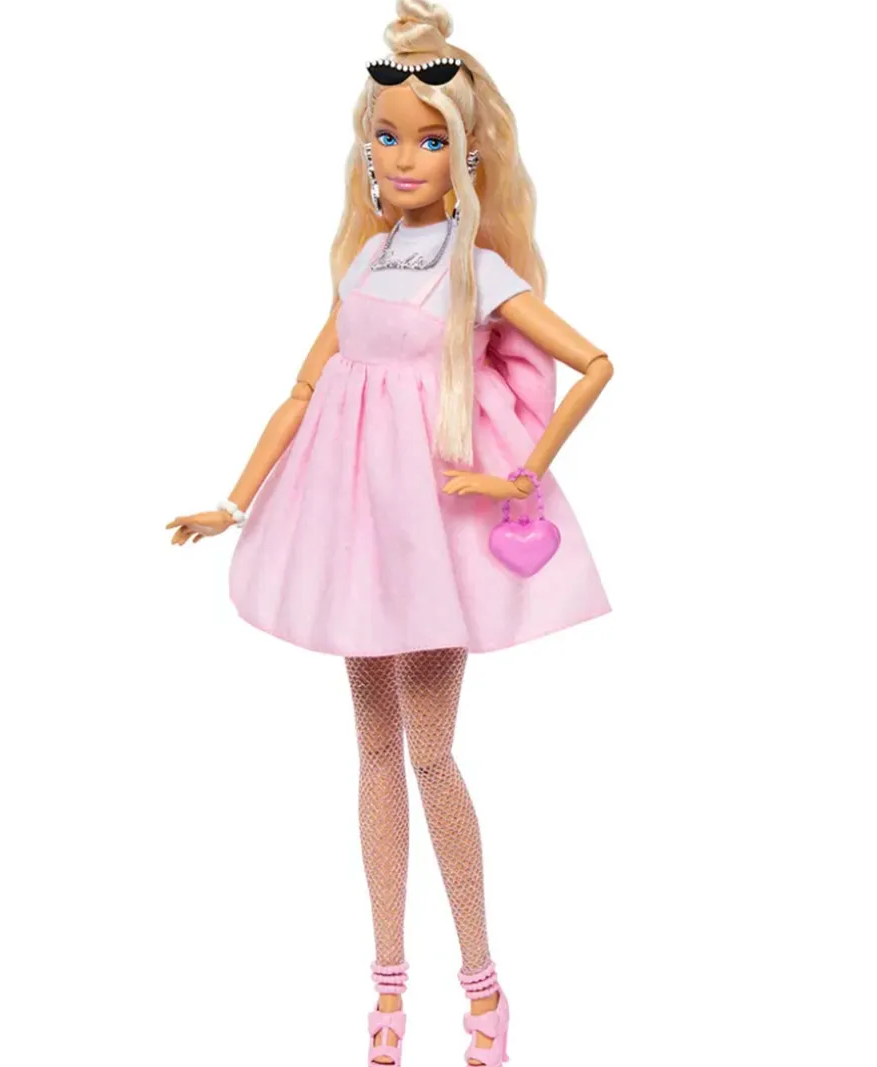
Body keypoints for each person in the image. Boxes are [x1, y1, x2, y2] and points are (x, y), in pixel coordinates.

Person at [166, 3, 615, 1064]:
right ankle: (385, 980)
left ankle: (484, 981)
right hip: (351, 526)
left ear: (466, 152)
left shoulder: (476, 269)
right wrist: (235, 499)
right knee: (372, 751)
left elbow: (595, 363)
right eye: (387, 134)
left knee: (430, 749)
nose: (404, 155)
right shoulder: (365, 260)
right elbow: (303, 388)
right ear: (365, 145)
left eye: (427, 138)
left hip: (430, 533)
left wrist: (519, 471)